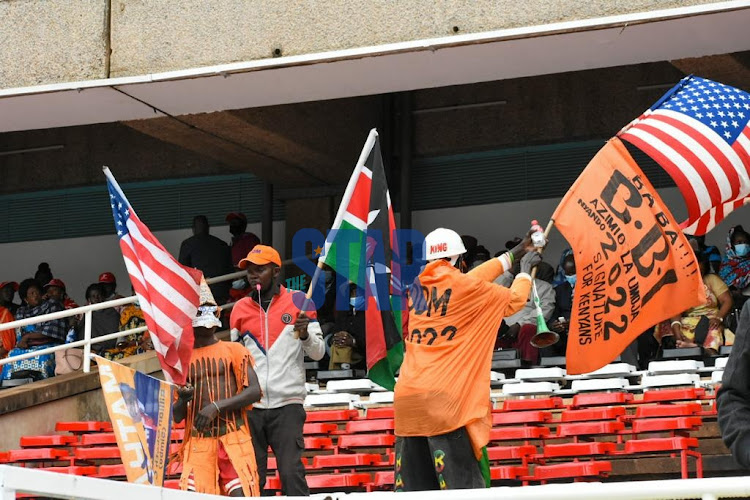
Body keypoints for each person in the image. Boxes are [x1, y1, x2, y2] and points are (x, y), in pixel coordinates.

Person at [394, 227, 539, 491]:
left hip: (407, 404)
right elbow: (516, 300)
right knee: (463, 491)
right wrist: (525, 271)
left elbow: (465, 281)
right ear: (459, 260)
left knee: (415, 494)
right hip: (445, 404)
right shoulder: (466, 287)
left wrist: (516, 253)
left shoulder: (415, 289)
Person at [230, 245, 325, 496]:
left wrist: (305, 335)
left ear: (276, 271)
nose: (252, 275)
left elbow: (318, 353)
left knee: (291, 472)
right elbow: (234, 360)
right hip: (251, 407)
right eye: (249, 271)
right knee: (252, 477)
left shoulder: (300, 302)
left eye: (259, 270)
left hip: (288, 405)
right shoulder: (239, 309)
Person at [174, 280, 262, 496]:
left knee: (240, 495)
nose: (205, 320)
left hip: (233, 439)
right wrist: (184, 399)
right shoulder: (181, 361)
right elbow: (177, 416)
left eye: (209, 311)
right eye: (199, 312)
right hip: (198, 443)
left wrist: (216, 406)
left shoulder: (234, 349)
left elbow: (254, 391)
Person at [657, 253, 734, 355]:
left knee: (713, 328)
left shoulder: (711, 279)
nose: (697, 274)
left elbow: (727, 301)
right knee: (665, 324)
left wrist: (719, 318)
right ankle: (682, 345)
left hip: (709, 319)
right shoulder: (680, 284)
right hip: (688, 320)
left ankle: (707, 351)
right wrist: (677, 334)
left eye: (700, 271)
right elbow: (675, 311)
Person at [1, 279, 67, 380]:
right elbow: (19, 334)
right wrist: (24, 340)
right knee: (12, 356)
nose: (35, 295)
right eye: (31, 294)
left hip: (48, 344)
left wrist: (27, 336)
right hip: (27, 346)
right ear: (26, 299)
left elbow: (52, 329)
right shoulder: (21, 311)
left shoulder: (52, 305)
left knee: (43, 356)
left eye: (37, 292)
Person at [495, 261, 556, 364]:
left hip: (524, 327)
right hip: (502, 327)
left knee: (528, 328)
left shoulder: (544, 287)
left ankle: (527, 365)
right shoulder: (505, 283)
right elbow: (489, 294)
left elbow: (544, 310)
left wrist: (519, 324)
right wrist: (508, 273)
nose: (519, 266)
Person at [179, 215, 234, 305]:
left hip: (200, 295)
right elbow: (230, 271)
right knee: (219, 317)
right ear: (208, 227)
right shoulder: (222, 244)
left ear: (193, 229)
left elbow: (184, 272)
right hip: (221, 294)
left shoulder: (187, 244)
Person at [328, 282, 367, 370]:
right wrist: (338, 337)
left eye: (357, 293)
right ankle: (339, 372)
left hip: (364, 356)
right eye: (352, 293)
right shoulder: (344, 310)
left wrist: (353, 341)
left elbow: (373, 342)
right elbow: (336, 330)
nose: (354, 296)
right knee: (338, 345)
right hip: (345, 352)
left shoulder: (371, 311)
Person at [75, 284, 121, 355]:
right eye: (93, 296)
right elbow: (81, 335)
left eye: (99, 295)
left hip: (108, 350)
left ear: (103, 296)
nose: (96, 298)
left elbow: (114, 335)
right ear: (89, 299)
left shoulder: (112, 312)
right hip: (89, 352)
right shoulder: (86, 314)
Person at [719, 225, 750, 310]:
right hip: (734, 307)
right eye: (739, 242)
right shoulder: (726, 264)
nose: (743, 245)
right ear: (731, 245)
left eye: (746, 242)